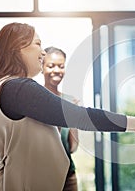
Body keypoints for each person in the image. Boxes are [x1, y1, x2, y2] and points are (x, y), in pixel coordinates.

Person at [0, 22, 135, 191]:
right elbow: (80, 116)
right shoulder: (18, 89)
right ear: (19, 48)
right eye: (37, 44)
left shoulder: (6, 88)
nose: (43, 52)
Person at [42, 46, 79, 191]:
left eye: (61, 66)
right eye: (51, 66)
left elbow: (73, 147)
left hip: (67, 176)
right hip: (40, 175)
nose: (56, 70)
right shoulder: (32, 100)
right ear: (41, 67)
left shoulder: (70, 102)